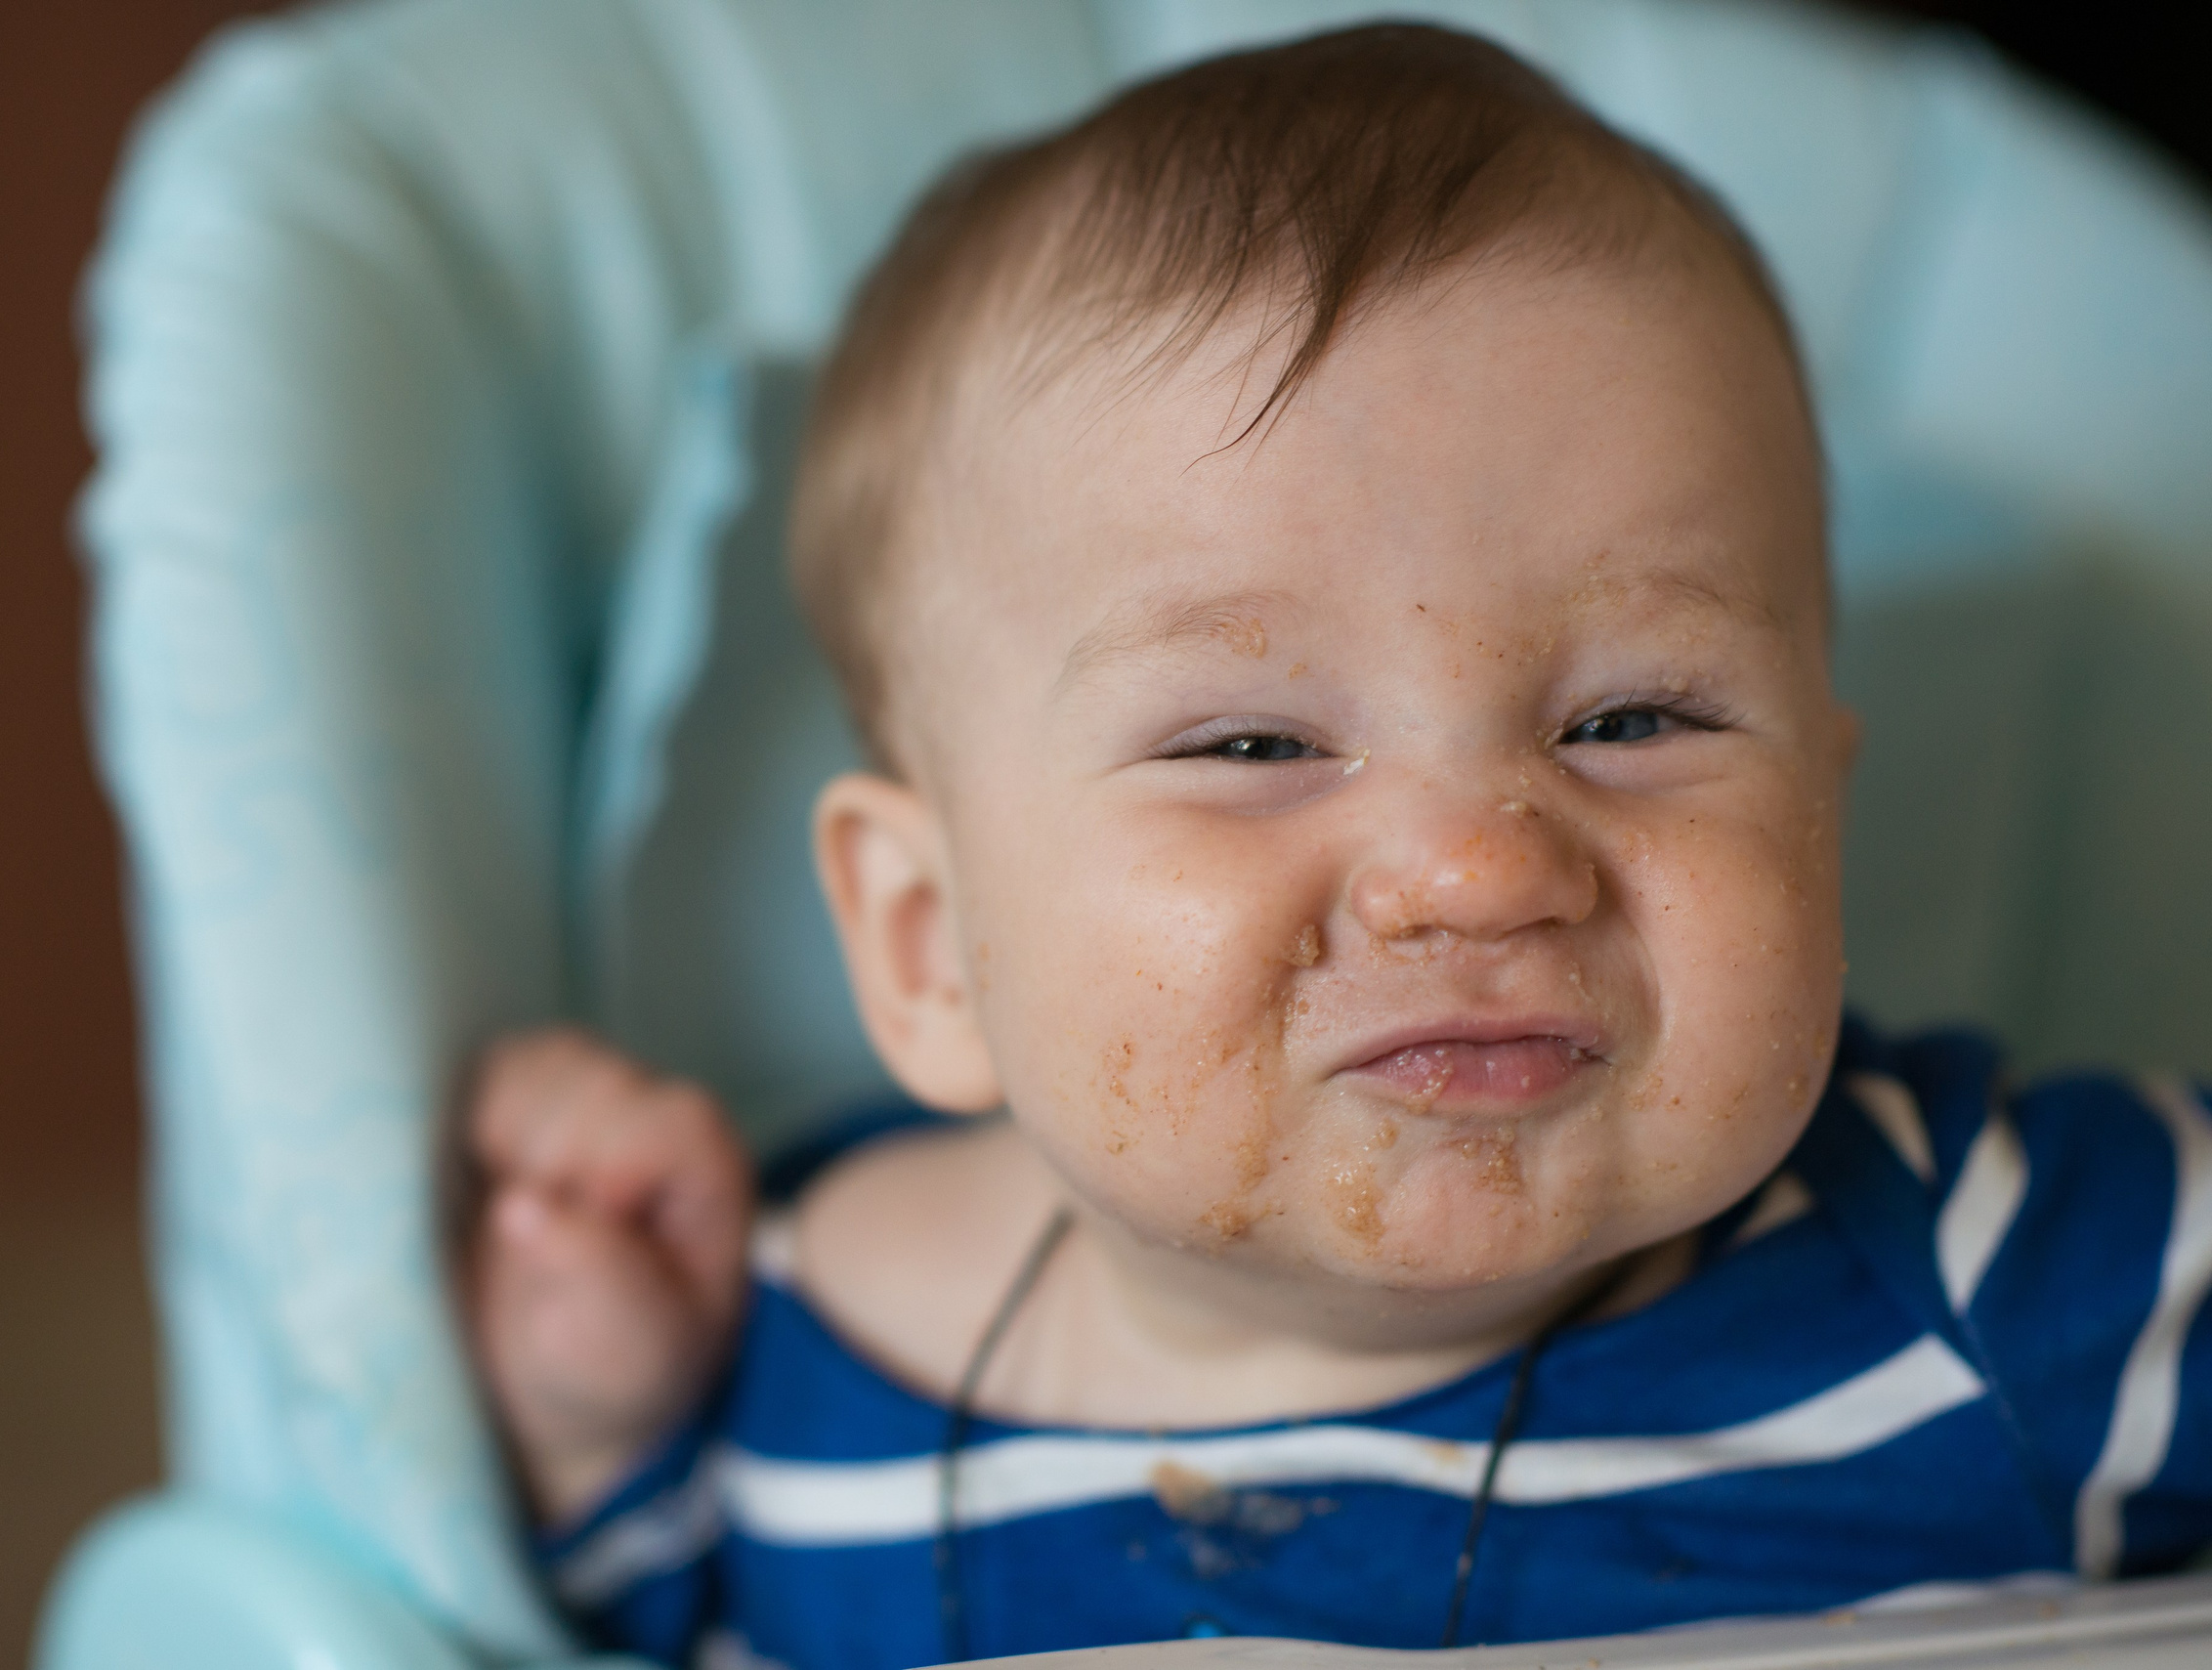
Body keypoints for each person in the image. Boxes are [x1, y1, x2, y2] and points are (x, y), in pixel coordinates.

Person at [459, 23, 2212, 1666]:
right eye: (1253, 743)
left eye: (1634, 721)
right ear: (928, 946)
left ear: (1820, 814)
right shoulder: (791, 1348)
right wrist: (594, 1429)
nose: (1479, 868)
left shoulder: (2005, 1272)